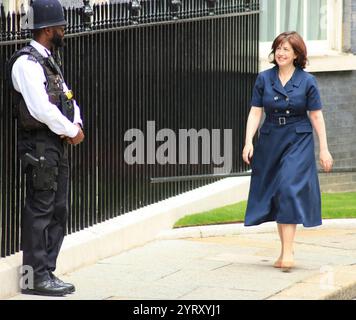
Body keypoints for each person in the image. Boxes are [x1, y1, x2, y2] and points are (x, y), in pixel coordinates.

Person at [7, 0, 84, 296]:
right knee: (40, 210)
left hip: (56, 143)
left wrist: (75, 124)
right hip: (40, 144)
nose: (65, 30)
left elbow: (67, 97)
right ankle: (33, 278)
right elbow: (41, 109)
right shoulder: (25, 64)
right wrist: (69, 130)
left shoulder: (48, 60)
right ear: (48, 29)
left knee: (57, 209)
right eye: (61, 26)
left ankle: (46, 272)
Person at [242, 31, 333, 271]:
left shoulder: (307, 81)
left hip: (298, 139)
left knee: (289, 188)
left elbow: (316, 116)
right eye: (278, 48)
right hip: (271, 139)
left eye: (286, 49)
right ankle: (284, 252)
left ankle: (289, 252)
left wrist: (324, 149)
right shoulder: (264, 79)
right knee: (278, 192)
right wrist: (248, 141)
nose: (281, 53)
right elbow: (255, 111)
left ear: (296, 54)